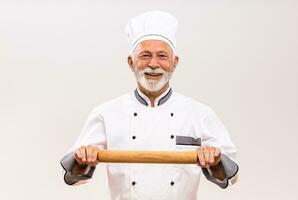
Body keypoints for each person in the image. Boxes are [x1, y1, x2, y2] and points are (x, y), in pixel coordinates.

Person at [60, 10, 239, 200]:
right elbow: (74, 175)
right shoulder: (106, 113)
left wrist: (214, 161)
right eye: (145, 55)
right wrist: (83, 158)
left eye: (162, 56)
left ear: (174, 62)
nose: (153, 64)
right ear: (131, 62)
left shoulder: (199, 113)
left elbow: (230, 173)